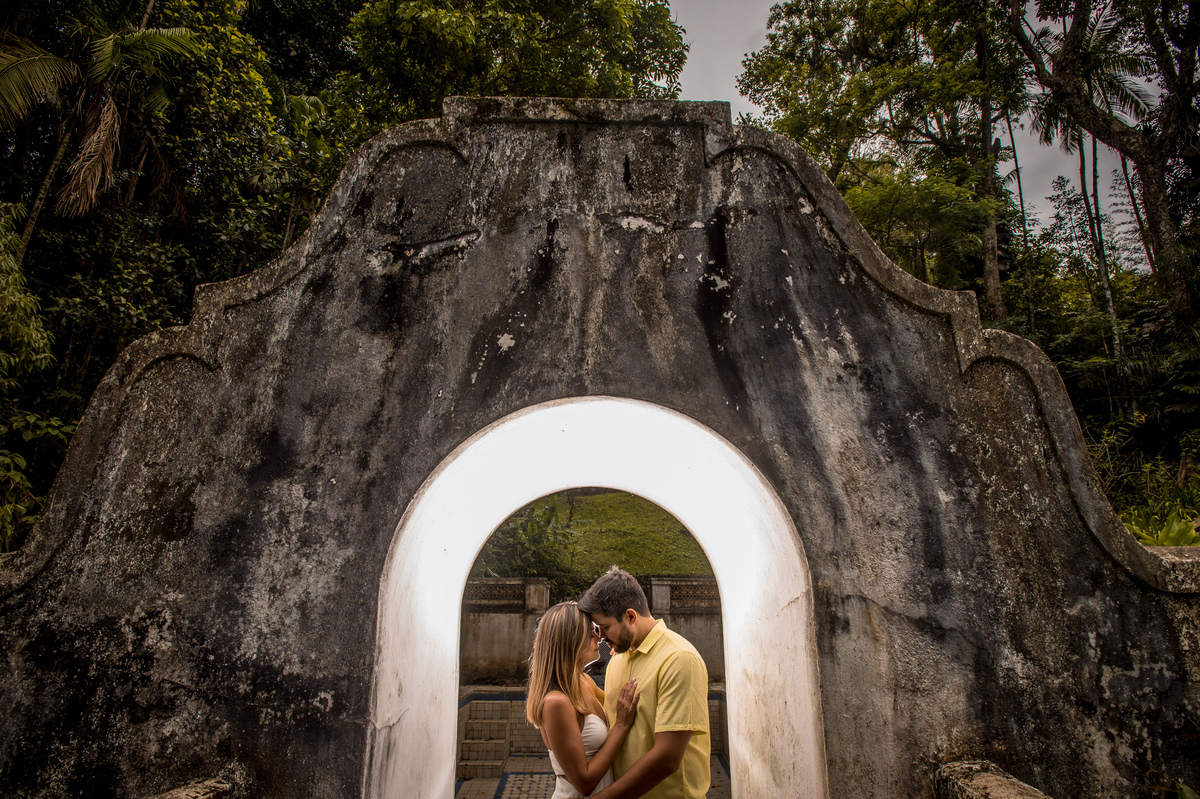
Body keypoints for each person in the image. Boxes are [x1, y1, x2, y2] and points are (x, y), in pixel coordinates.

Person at [578, 567, 710, 799]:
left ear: (630, 616)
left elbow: (667, 758)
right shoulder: (618, 659)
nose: (600, 637)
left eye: (606, 627)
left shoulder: (678, 658)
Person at [527, 602, 641, 798]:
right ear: (569, 642)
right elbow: (584, 783)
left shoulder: (584, 681)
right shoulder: (556, 702)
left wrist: (624, 654)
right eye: (591, 634)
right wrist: (620, 727)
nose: (600, 639)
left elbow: (619, 705)